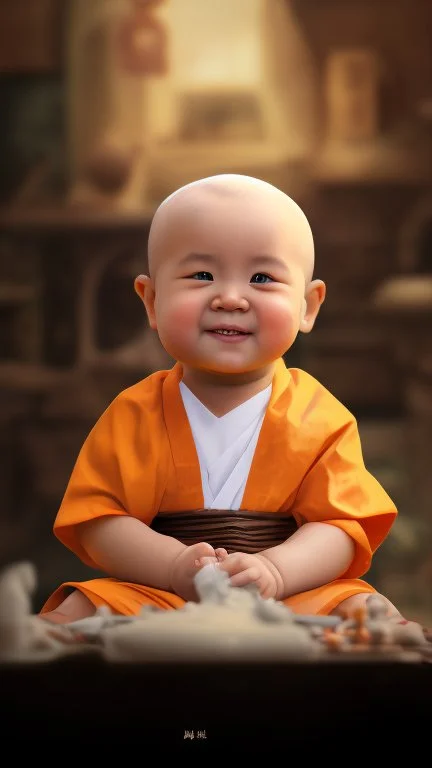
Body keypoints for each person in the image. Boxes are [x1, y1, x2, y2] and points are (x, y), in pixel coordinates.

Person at [40, 173, 403, 625]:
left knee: (366, 613)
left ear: (308, 306)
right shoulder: (135, 412)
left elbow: (343, 527)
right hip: (161, 589)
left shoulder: (319, 415)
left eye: (262, 278)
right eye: (202, 275)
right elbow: (99, 521)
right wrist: (173, 567)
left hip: (290, 593)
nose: (230, 298)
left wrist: (276, 569)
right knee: (78, 610)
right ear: (151, 300)